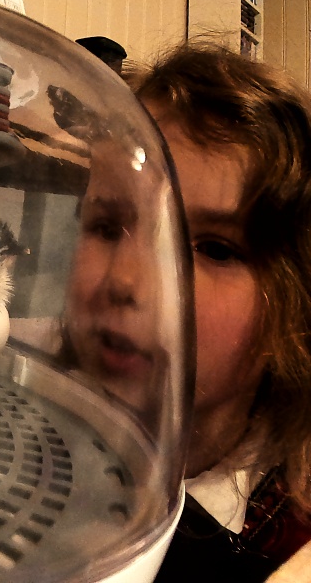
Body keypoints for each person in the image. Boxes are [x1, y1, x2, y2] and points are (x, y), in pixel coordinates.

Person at [103, 42, 311, 580]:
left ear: (295, 309)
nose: (126, 280)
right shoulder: (25, 401)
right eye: (108, 226)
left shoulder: (288, 542)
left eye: (215, 249)